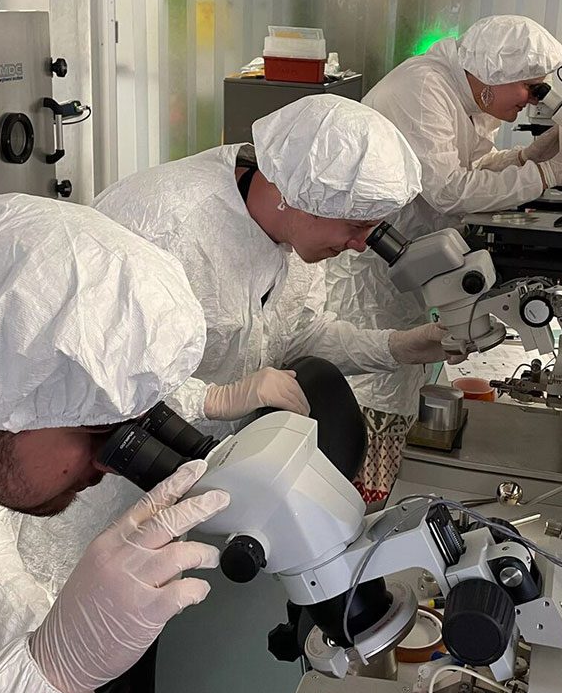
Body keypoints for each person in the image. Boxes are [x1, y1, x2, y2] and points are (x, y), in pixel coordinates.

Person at [0, 193, 230, 693]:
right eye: (99, 430)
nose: (108, 464)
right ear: (3, 390)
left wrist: (67, 637)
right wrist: (50, 670)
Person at [325, 15, 562, 505]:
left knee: (399, 378)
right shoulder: (423, 89)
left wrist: (535, 156)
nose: (530, 101)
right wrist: (547, 176)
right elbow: (449, 190)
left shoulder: (468, 91)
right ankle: (348, 501)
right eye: (529, 87)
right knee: (371, 383)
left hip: (409, 259)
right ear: (496, 73)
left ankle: (373, 489)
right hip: (366, 266)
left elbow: (473, 168)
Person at [94, 94, 454, 439]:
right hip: (112, 478)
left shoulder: (295, 228)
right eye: (356, 227)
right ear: (301, 199)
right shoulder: (166, 229)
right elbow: (99, 364)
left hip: (212, 456)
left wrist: (399, 346)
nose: (361, 246)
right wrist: (210, 400)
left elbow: (300, 336)